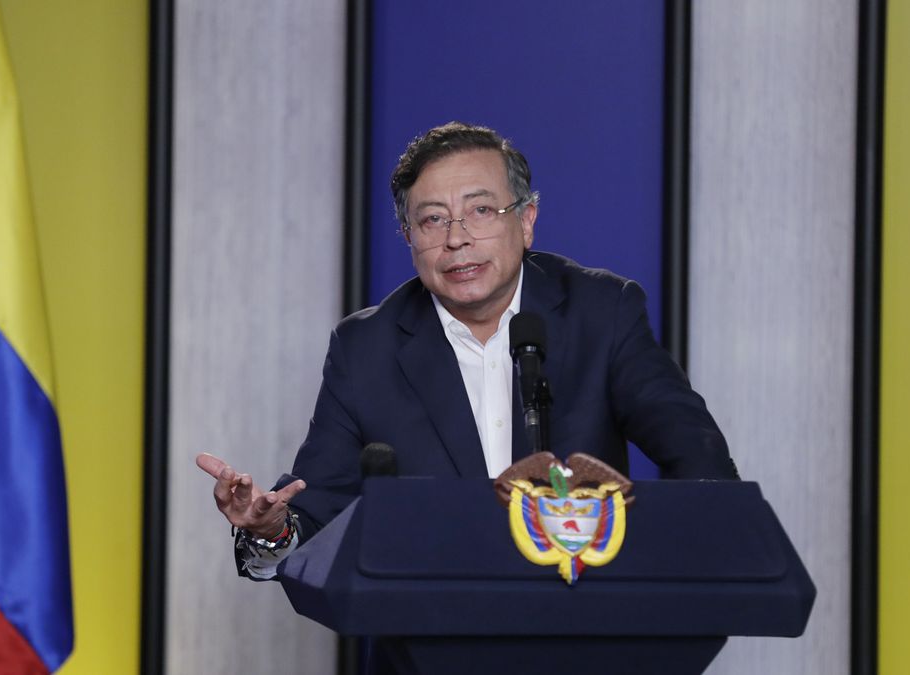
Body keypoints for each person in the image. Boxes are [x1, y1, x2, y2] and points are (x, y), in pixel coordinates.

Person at [196, 122, 738, 578]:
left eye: (481, 212)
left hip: (587, 626)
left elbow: (698, 459)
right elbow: (313, 514)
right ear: (409, 238)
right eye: (432, 219)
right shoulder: (366, 349)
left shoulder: (602, 312)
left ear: (526, 221)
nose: (456, 238)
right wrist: (270, 530)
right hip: (430, 642)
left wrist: (677, 567)